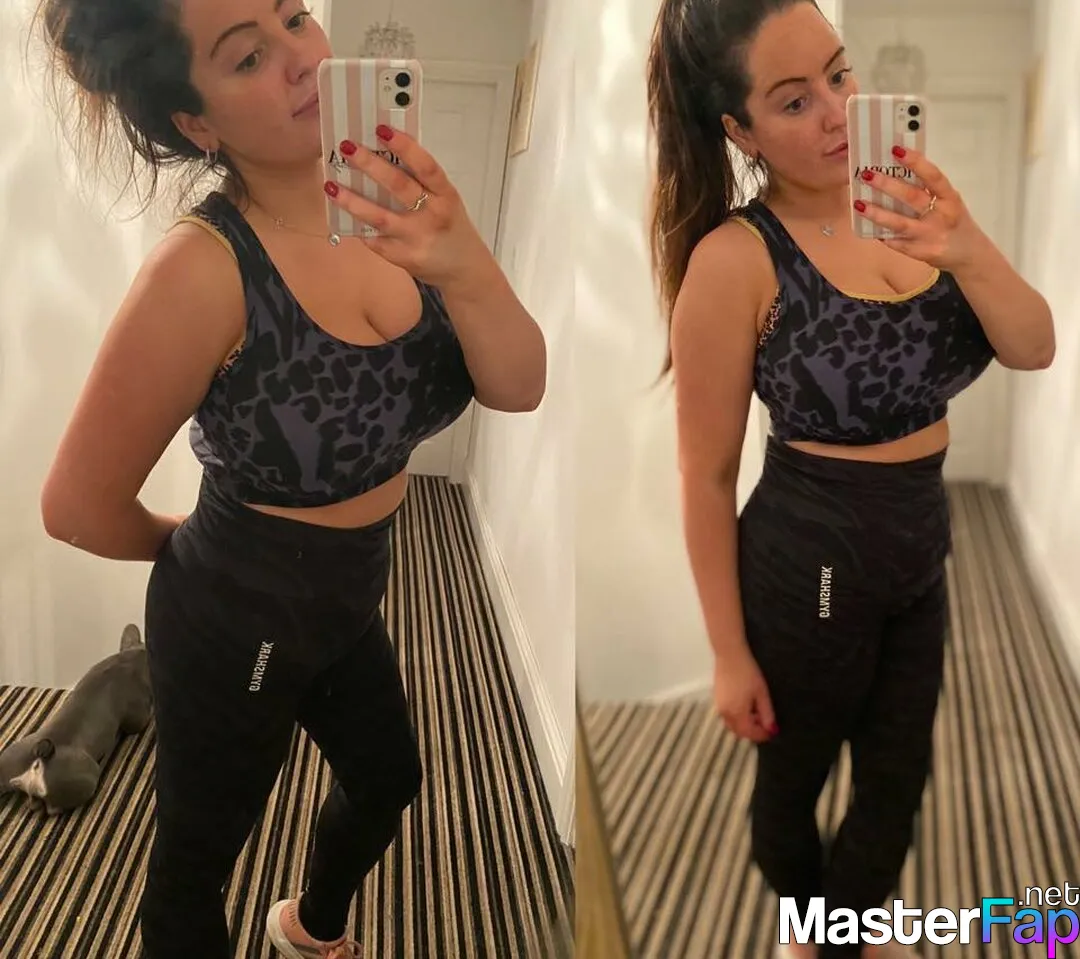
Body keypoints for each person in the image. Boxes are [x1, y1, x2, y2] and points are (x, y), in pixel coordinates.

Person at [32, 0, 546, 956]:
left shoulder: (397, 203)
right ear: (198, 122)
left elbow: (519, 386)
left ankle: (310, 928)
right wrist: (196, 552)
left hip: (346, 597)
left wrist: (467, 261)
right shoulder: (203, 269)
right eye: (247, 57)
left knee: (388, 778)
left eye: (295, 18)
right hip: (234, 617)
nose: (302, 59)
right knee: (196, 865)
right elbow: (74, 506)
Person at [646, 1, 1054, 957]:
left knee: (898, 773)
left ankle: (852, 927)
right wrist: (727, 652)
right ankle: (815, 932)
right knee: (795, 779)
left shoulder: (917, 206)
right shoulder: (736, 259)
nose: (836, 111)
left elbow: (1032, 343)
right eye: (795, 101)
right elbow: (705, 473)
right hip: (812, 565)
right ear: (740, 130)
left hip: (922, 547)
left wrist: (964, 243)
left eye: (838, 74)